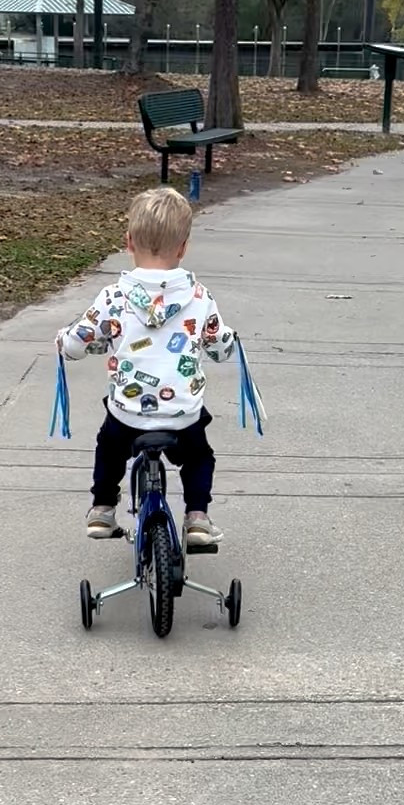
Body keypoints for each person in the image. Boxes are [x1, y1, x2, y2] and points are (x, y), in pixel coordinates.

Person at [56, 185, 237, 550]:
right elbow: (220, 347)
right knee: (199, 456)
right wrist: (230, 341)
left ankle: (103, 507)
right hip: (182, 414)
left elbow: (79, 342)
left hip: (129, 413)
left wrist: (64, 342)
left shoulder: (114, 296)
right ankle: (197, 517)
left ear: (128, 242)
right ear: (183, 247)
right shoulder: (199, 297)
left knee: (109, 446)